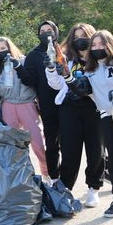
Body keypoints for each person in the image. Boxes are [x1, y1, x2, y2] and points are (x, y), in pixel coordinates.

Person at [64, 30, 113, 219]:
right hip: (108, 115)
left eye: (101, 44)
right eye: (94, 45)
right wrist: (67, 76)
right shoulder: (90, 70)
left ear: (110, 44)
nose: (98, 48)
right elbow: (82, 89)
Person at [45, 24, 105, 205]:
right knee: (70, 149)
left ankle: (93, 188)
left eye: (84, 36)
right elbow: (55, 85)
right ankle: (66, 187)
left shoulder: (100, 59)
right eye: (76, 36)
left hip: (93, 108)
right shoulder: (66, 58)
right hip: (69, 108)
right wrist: (50, 69)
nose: (80, 39)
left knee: (96, 150)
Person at [0, 37, 48, 178]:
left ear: (10, 47)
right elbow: (6, 91)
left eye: (3, 48)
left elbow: (31, 81)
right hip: (8, 105)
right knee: (11, 145)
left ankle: (48, 174)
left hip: (27, 103)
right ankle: (18, 177)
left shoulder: (24, 60)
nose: (0, 52)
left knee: (38, 142)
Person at [17, 21, 62, 181]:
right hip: (47, 104)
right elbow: (29, 80)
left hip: (68, 104)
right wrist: (19, 69)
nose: (46, 33)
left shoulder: (63, 51)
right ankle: (54, 178)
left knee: (70, 142)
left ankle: (69, 180)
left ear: (56, 32)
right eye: (42, 31)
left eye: (49, 30)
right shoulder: (33, 55)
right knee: (51, 143)